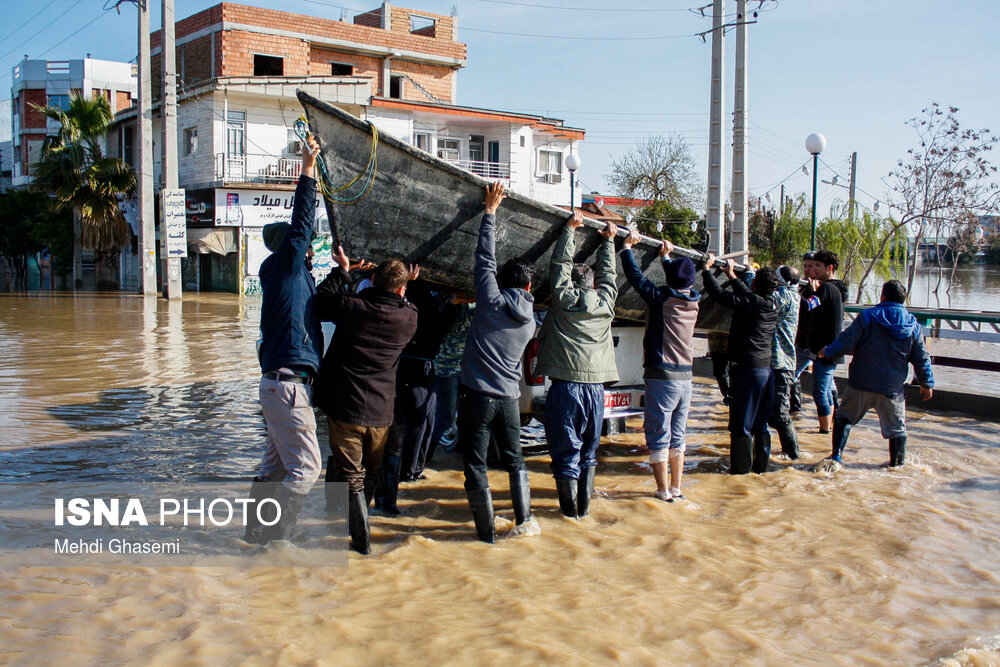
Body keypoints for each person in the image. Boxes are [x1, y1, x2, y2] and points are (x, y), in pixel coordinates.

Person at [244, 135, 324, 545]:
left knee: (274, 467)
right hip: (288, 388)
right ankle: (275, 540)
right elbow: (302, 223)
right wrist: (308, 168)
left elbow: (318, 306)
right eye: (305, 247)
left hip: (276, 386)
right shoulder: (288, 268)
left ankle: (253, 537)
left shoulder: (287, 280)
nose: (310, 249)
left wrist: (345, 272)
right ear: (292, 249)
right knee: (307, 469)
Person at [313, 254, 419, 554]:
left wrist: (344, 271)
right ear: (401, 290)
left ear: (372, 280)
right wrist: (405, 284)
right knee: (369, 474)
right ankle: (350, 529)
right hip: (381, 411)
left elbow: (320, 298)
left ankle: (360, 543)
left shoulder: (351, 307)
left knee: (351, 476)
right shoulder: (408, 318)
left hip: (345, 406)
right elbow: (403, 302)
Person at [457, 182, 537, 543]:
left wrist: (489, 213)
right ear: (529, 289)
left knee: (475, 467)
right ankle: (525, 522)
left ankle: (487, 537)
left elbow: (483, 259)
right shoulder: (531, 320)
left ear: (502, 284)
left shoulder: (490, 300)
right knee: (515, 461)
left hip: (476, 398)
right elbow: (488, 265)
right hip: (508, 401)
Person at [535, 212, 619, 518]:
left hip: (566, 389)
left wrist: (569, 230)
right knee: (588, 455)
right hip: (596, 391)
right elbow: (610, 276)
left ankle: (568, 518)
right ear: (593, 285)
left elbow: (559, 267)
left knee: (565, 455)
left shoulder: (564, 299)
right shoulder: (607, 303)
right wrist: (608, 241)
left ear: (575, 284)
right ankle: (581, 518)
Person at [817, 280, 933, 468]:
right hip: (892, 388)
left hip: (861, 383)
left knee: (844, 418)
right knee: (897, 430)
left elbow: (846, 340)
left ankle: (836, 457)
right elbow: (921, 357)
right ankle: (896, 468)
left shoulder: (869, 316)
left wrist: (827, 351)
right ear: (903, 300)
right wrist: (927, 383)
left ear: (883, 296)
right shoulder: (912, 324)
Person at [620, 233, 699, 502]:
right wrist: (666, 258)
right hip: (686, 380)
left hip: (661, 378)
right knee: (677, 437)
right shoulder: (694, 301)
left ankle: (662, 492)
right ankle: (677, 489)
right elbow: (679, 281)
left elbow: (636, 278)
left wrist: (626, 248)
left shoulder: (661, 299)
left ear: (669, 280)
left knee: (657, 435)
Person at [701, 255, 779, 475]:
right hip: (766, 372)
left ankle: (740, 474)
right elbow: (748, 295)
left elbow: (719, 295)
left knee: (740, 426)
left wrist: (706, 270)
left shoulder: (752, 303)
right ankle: (760, 470)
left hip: (748, 371)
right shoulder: (772, 304)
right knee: (760, 424)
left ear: (755, 284)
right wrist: (731, 274)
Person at [800, 249, 848, 433]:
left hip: (824, 349)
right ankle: (830, 426)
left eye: (818, 266)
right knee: (827, 390)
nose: (814, 270)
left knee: (819, 393)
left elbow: (808, 305)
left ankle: (824, 431)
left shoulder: (827, 288)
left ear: (829, 268)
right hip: (833, 346)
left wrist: (801, 293)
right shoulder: (839, 288)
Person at [431, 295, 476, 454]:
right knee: (446, 418)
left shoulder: (475, 306)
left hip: (466, 368)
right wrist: (453, 302)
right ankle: (423, 459)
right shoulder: (443, 302)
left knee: (467, 416)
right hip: (445, 366)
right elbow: (438, 322)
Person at [768, 265, 802, 460]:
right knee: (773, 413)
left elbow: (761, 298)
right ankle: (787, 453)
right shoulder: (795, 295)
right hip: (781, 364)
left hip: (781, 364)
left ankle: (793, 457)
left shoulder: (783, 297)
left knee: (780, 414)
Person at [789, 251, 817, 413]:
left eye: (811, 266)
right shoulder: (803, 286)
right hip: (801, 339)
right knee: (795, 374)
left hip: (811, 342)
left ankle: (794, 408)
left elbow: (811, 307)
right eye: (805, 266)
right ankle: (795, 409)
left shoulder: (818, 289)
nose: (807, 270)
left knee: (793, 373)